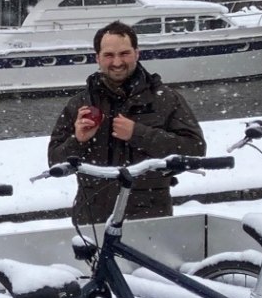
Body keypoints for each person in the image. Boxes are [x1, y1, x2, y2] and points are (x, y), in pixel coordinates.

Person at [47, 21, 206, 227]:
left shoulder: (165, 99)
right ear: (97, 58)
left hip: (148, 217)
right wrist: (77, 140)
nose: (117, 62)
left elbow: (195, 149)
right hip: (92, 220)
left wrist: (138, 134)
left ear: (137, 53)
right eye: (109, 55)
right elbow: (54, 161)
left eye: (124, 53)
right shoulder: (79, 104)